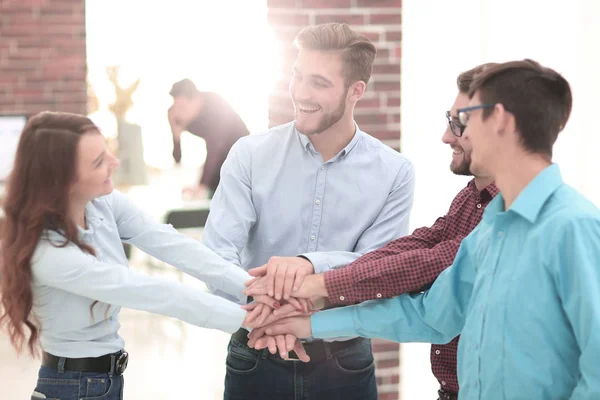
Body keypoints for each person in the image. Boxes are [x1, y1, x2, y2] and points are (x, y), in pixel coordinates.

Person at [256, 60, 600, 399]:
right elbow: (429, 316)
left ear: (499, 120)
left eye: (465, 119)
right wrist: (306, 325)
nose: (450, 134)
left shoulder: (574, 228)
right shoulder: (490, 232)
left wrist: (319, 287)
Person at [0, 112, 297, 400]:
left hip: (102, 381)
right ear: (63, 180)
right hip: (72, 387)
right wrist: (257, 320)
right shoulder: (49, 252)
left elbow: (172, 244)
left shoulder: (101, 204)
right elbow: (152, 292)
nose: (114, 163)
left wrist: (255, 289)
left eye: (108, 152)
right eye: (98, 162)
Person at [245, 62, 498, 400]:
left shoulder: (511, 217)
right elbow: (417, 246)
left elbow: (432, 272)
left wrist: (317, 288)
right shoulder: (472, 197)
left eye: (459, 123)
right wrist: (313, 290)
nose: (446, 135)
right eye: (449, 120)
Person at [203, 23, 415, 400]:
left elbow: (378, 270)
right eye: (298, 76)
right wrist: (270, 313)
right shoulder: (249, 155)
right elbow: (218, 256)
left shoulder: (394, 173)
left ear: (356, 91)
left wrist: (309, 264)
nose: (301, 92)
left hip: (343, 365)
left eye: (319, 82)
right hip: (254, 355)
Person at [168, 79, 249, 199]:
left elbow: (215, 147)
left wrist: (202, 185)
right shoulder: (177, 114)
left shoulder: (215, 104)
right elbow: (177, 159)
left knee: (218, 193)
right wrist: (176, 135)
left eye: (183, 107)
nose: (179, 111)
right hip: (217, 159)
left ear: (197, 99)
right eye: (177, 106)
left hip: (240, 153)